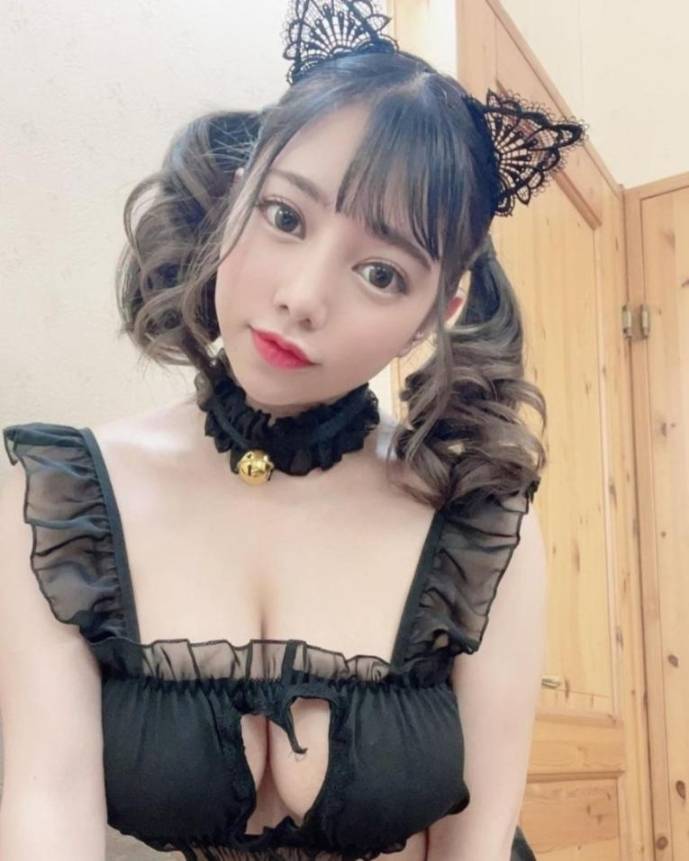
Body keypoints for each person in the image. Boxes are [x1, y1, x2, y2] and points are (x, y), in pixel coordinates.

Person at [0, 1, 587, 859]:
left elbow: (477, 839)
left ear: (444, 306)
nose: (302, 295)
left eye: (381, 272)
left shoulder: (479, 520)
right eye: (285, 216)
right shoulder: (62, 502)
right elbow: (44, 805)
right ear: (238, 192)